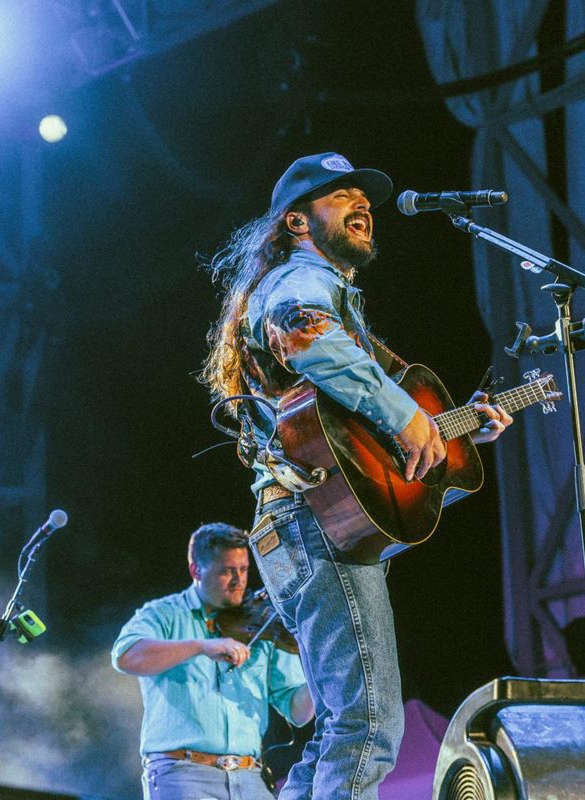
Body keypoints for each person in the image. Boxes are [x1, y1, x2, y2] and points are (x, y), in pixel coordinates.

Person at [201, 152, 513, 799]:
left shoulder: (336, 298)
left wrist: (457, 427)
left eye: (363, 197)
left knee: (344, 728)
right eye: (339, 196)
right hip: (311, 528)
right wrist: (406, 417)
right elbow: (312, 340)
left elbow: (369, 431)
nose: (361, 204)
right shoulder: (298, 287)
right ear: (295, 222)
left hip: (304, 528)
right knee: (370, 725)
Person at [112, 522, 314, 800]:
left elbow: (298, 711)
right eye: (226, 571)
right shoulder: (163, 614)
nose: (239, 581)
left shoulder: (260, 625)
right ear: (196, 570)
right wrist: (200, 646)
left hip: (250, 776)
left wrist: (319, 662)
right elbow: (126, 657)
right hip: (184, 773)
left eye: (243, 570)